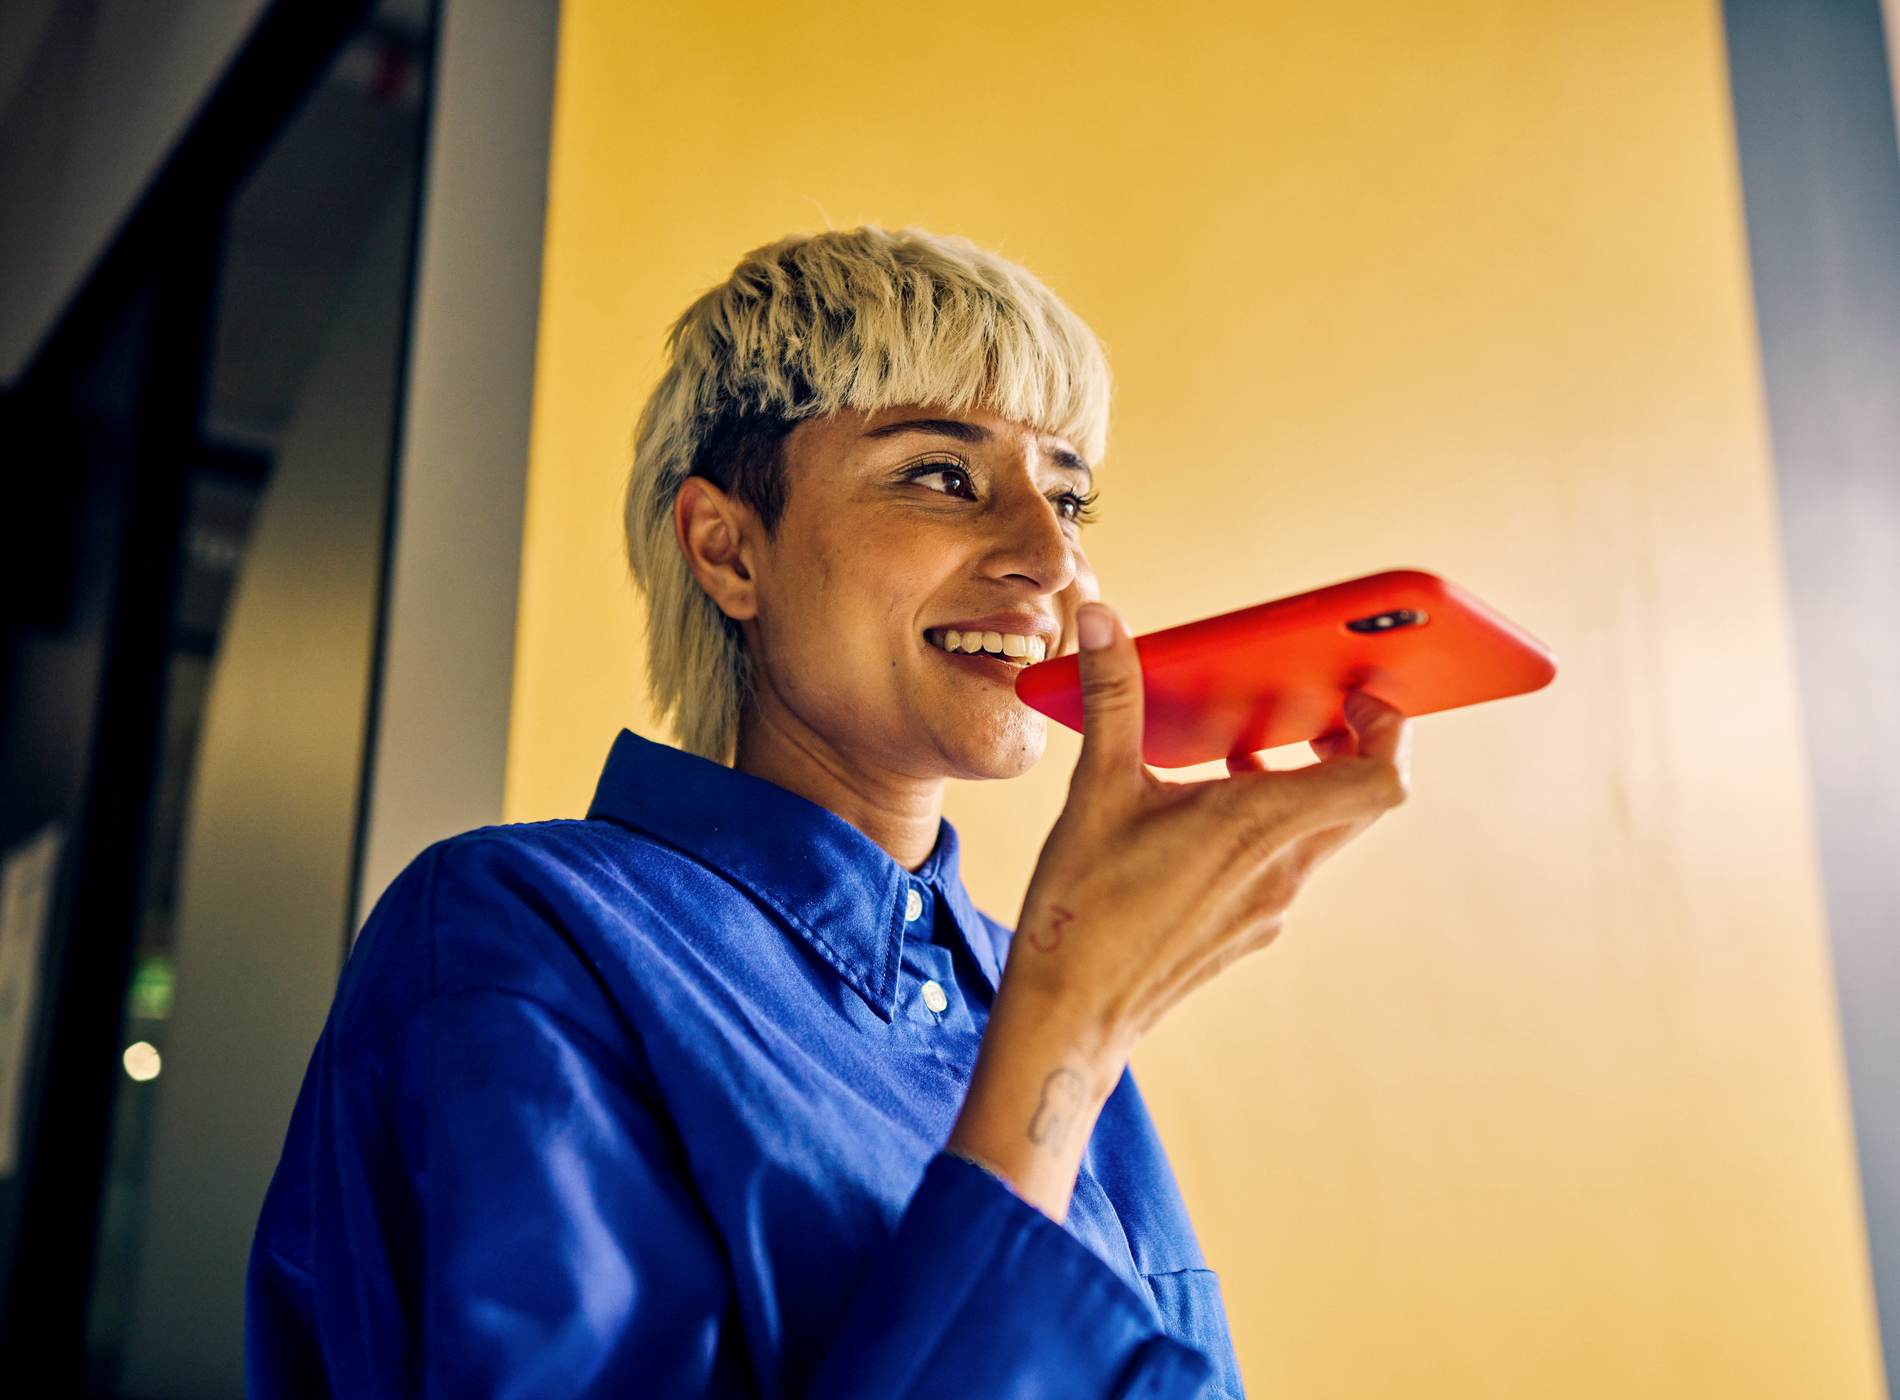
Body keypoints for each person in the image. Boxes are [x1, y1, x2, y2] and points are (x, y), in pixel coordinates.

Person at [246, 225, 1412, 1398]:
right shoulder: (518, 931)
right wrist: (1064, 1038)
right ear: (726, 548)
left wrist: (1067, 1015)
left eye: (1069, 496)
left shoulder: (1041, 981)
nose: (1049, 560)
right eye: (943, 474)